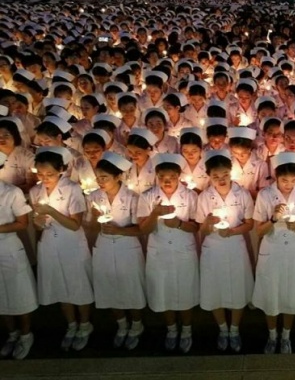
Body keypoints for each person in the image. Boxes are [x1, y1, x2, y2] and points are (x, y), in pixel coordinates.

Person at [30, 147, 93, 351]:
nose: (44, 178)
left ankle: (85, 324)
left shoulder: (72, 189)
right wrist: (39, 222)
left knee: (78, 285)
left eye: (49, 174)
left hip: (71, 244)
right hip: (49, 243)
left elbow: (75, 225)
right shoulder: (35, 191)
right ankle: (71, 325)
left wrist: (51, 211)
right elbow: (37, 221)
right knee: (59, 285)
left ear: (61, 170)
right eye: (40, 173)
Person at [137, 154, 199, 353]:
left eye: (171, 176)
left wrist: (179, 223)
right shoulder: (147, 196)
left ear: (179, 176)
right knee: (165, 291)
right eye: (162, 176)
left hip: (183, 251)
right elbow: (143, 230)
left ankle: (187, 330)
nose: (167, 181)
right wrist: (155, 214)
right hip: (159, 252)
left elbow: (196, 227)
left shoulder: (190, 196)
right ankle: (172, 329)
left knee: (185, 290)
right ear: (156, 176)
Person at [196, 149, 254, 353]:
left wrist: (233, 231)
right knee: (215, 289)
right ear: (209, 176)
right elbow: (200, 229)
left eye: (225, 175)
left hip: (235, 245)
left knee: (237, 287)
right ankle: (222, 329)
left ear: (231, 173)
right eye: (215, 176)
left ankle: (234, 330)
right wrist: (208, 223)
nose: (221, 180)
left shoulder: (243, 194)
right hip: (213, 248)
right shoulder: (204, 197)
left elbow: (249, 224)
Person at [86, 152, 146, 350]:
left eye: (105, 177)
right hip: (103, 246)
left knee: (131, 286)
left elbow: (141, 229)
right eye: (98, 177)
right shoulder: (94, 197)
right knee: (109, 285)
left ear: (118, 176)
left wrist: (119, 230)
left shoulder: (132, 198)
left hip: (127, 247)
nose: (100, 181)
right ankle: (121, 325)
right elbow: (92, 229)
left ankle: (137, 324)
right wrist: (95, 219)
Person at [252, 152, 295, 354]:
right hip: (271, 249)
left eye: (294, 180)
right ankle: (272, 335)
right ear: (276, 176)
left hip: (293, 250)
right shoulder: (265, 195)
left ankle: (285, 337)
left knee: (290, 293)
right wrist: (274, 218)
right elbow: (259, 231)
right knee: (271, 294)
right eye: (284, 180)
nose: (289, 185)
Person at [0, 151, 37, 360]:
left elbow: (22, 222)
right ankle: (12, 334)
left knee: (18, 293)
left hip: (8, 248)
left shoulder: (10, 192)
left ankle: (25, 334)